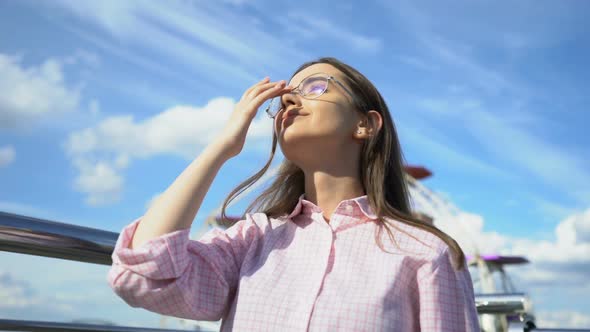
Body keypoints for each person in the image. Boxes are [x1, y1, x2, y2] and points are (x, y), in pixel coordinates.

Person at [107, 57, 481, 331]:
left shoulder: (425, 252)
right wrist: (221, 146)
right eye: (284, 96)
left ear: (365, 125)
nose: (288, 100)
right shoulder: (253, 238)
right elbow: (144, 276)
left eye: (315, 87)